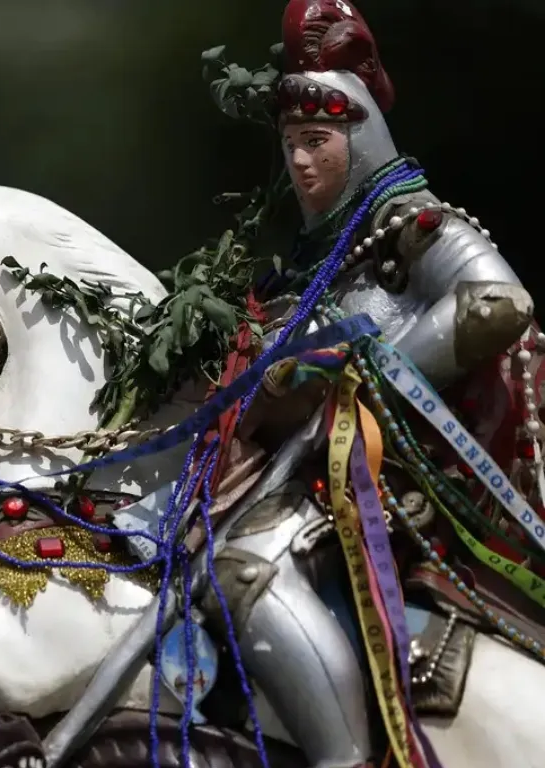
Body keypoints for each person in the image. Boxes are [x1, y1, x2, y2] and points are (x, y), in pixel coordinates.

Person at [211, 2, 535, 767]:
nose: (300, 161)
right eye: (290, 144)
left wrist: (362, 369)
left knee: (244, 564)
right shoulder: (306, 264)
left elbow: (498, 302)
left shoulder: (409, 224)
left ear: (359, 138)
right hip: (308, 477)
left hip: (402, 491)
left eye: (317, 141)